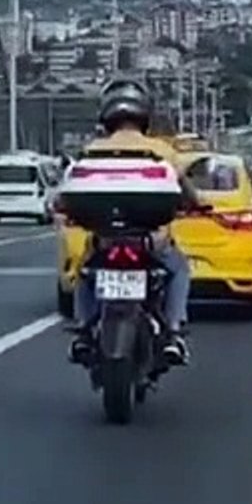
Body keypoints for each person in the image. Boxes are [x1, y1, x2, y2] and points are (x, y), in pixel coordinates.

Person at [67, 79, 198, 367]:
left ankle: (83, 332)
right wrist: (194, 205)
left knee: (85, 273)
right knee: (179, 270)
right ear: (144, 116)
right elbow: (186, 190)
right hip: (152, 241)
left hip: (105, 239)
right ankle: (174, 331)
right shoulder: (161, 150)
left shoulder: (92, 149)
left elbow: (68, 191)